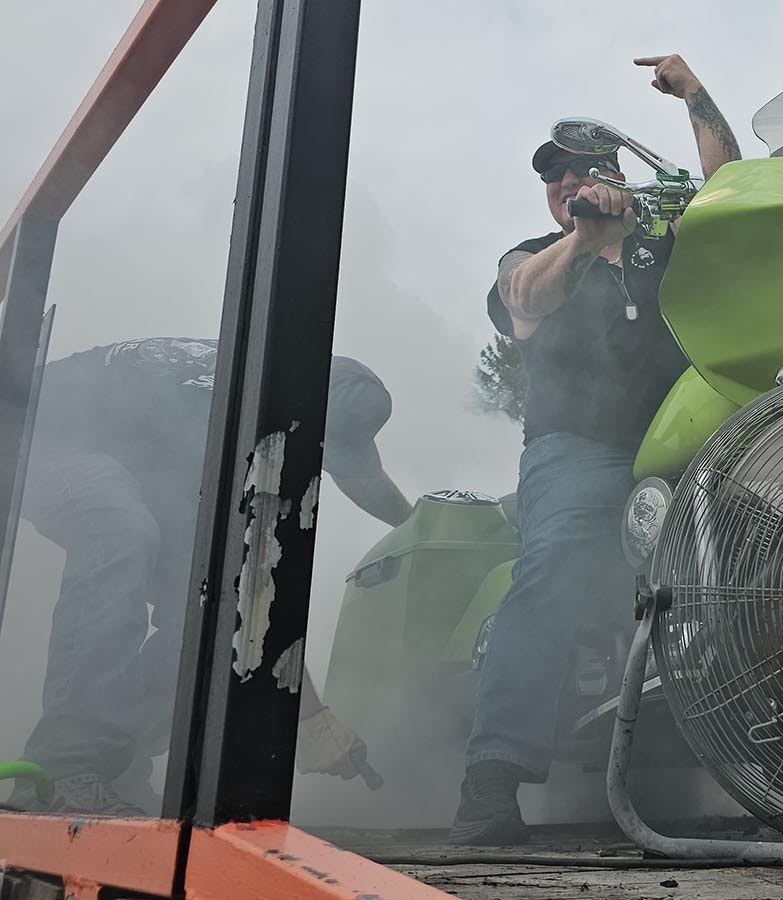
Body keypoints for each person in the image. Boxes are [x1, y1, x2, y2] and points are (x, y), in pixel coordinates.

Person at [451, 54, 741, 845]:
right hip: (579, 451)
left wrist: (695, 94)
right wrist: (582, 237)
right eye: (556, 178)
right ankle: (490, 782)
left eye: (585, 170)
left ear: (617, 175)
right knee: (559, 559)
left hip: (692, 449)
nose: (569, 182)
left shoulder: (664, 247)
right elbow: (522, 301)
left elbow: (725, 191)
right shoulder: (535, 257)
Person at [7, 337, 409, 814]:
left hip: (114, 458)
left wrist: (418, 528)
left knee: (200, 615)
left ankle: (113, 764)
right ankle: (64, 767)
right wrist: (310, 717)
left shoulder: (278, 375)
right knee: (119, 533)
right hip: (28, 432)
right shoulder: (221, 422)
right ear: (296, 420)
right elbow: (244, 584)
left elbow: (364, 484)